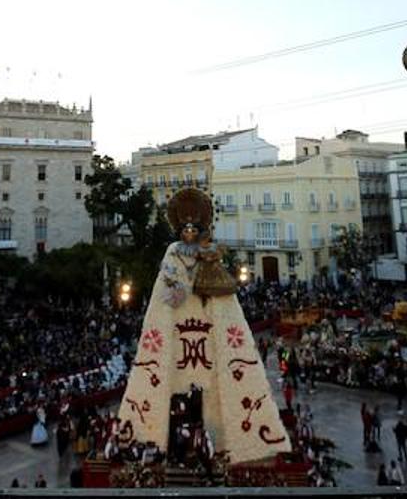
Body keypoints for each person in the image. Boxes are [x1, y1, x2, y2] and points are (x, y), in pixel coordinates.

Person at [117, 188, 290, 464]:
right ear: (179, 230)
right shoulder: (172, 251)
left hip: (208, 316)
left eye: (192, 228)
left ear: (198, 229)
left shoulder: (208, 251)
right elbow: (167, 279)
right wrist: (178, 286)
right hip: (175, 317)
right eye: (184, 228)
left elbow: (217, 279)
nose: (188, 232)